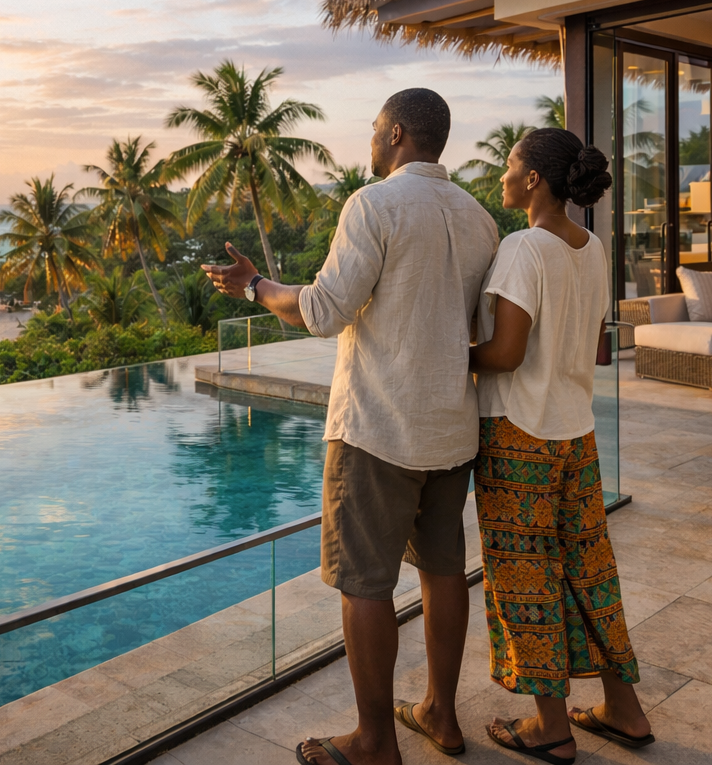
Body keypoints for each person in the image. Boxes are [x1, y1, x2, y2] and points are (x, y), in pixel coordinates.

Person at [202, 89, 498, 765]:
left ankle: (373, 742)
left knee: (366, 583)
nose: (369, 141)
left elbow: (324, 310)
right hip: (452, 429)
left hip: (378, 430)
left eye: (373, 130)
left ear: (396, 134)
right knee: (444, 571)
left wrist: (255, 287)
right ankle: (441, 716)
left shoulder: (375, 205)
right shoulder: (480, 219)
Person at [467, 127, 654, 763]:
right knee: (587, 570)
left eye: (509, 166)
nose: (502, 177)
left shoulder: (525, 247)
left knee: (525, 577)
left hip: (521, 431)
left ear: (534, 181)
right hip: (576, 429)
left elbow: (506, 353)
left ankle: (549, 725)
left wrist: (446, 357)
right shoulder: (591, 246)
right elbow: (593, 342)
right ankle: (622, 708)